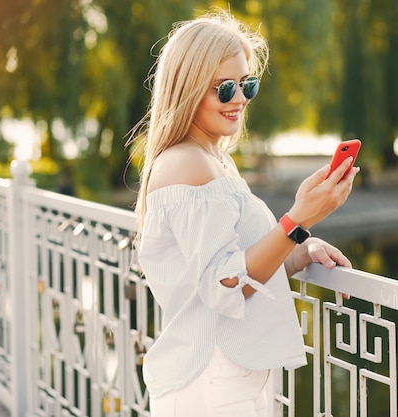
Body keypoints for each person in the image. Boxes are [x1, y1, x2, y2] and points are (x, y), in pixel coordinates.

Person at [132, 9, 360, 417]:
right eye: (224, 89)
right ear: (187, 90)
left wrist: (300, 251)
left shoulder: (214, 158)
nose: (239, 99)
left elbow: (242, 266)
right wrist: (297, 220)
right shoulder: (188, 165)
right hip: (213, 378)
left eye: (246, 84)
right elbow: (225, 286)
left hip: (234, 373)